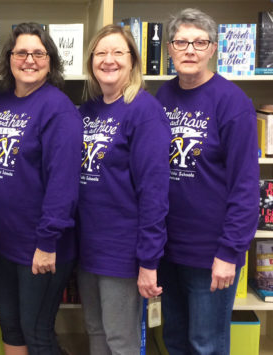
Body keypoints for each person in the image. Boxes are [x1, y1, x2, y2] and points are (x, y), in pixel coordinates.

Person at [156, 8, 259, 354]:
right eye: (181, 42)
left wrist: (229, 252)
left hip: (210, 252)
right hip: (168, 248)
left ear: (213, 49)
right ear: (169, 49)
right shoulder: (163, 97)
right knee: (174, 339)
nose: (190, 50)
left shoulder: (233, 102)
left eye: (200, 43)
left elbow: (245, 187)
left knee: (206, 344)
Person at [0, 22, 82, 354]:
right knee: (11, 327)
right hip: (1, 242)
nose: (29, 59)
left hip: (41, 246)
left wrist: (47, 242)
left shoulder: (59, 109)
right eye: (21, 52)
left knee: (37, 333)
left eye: (38, 53)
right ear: (9, 59)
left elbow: (63, 183)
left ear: (50, 61)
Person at [77, 24, 170, 355]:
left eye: (118, 52)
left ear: (133, 61)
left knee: (121, 339)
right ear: (91, 62)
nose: (108, 60)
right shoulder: (87, 111)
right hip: (86, 246)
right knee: (96, 332)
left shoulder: (145, 112)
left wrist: (148, 261)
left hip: (122, 250)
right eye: (101, 53)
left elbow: (155, 193)